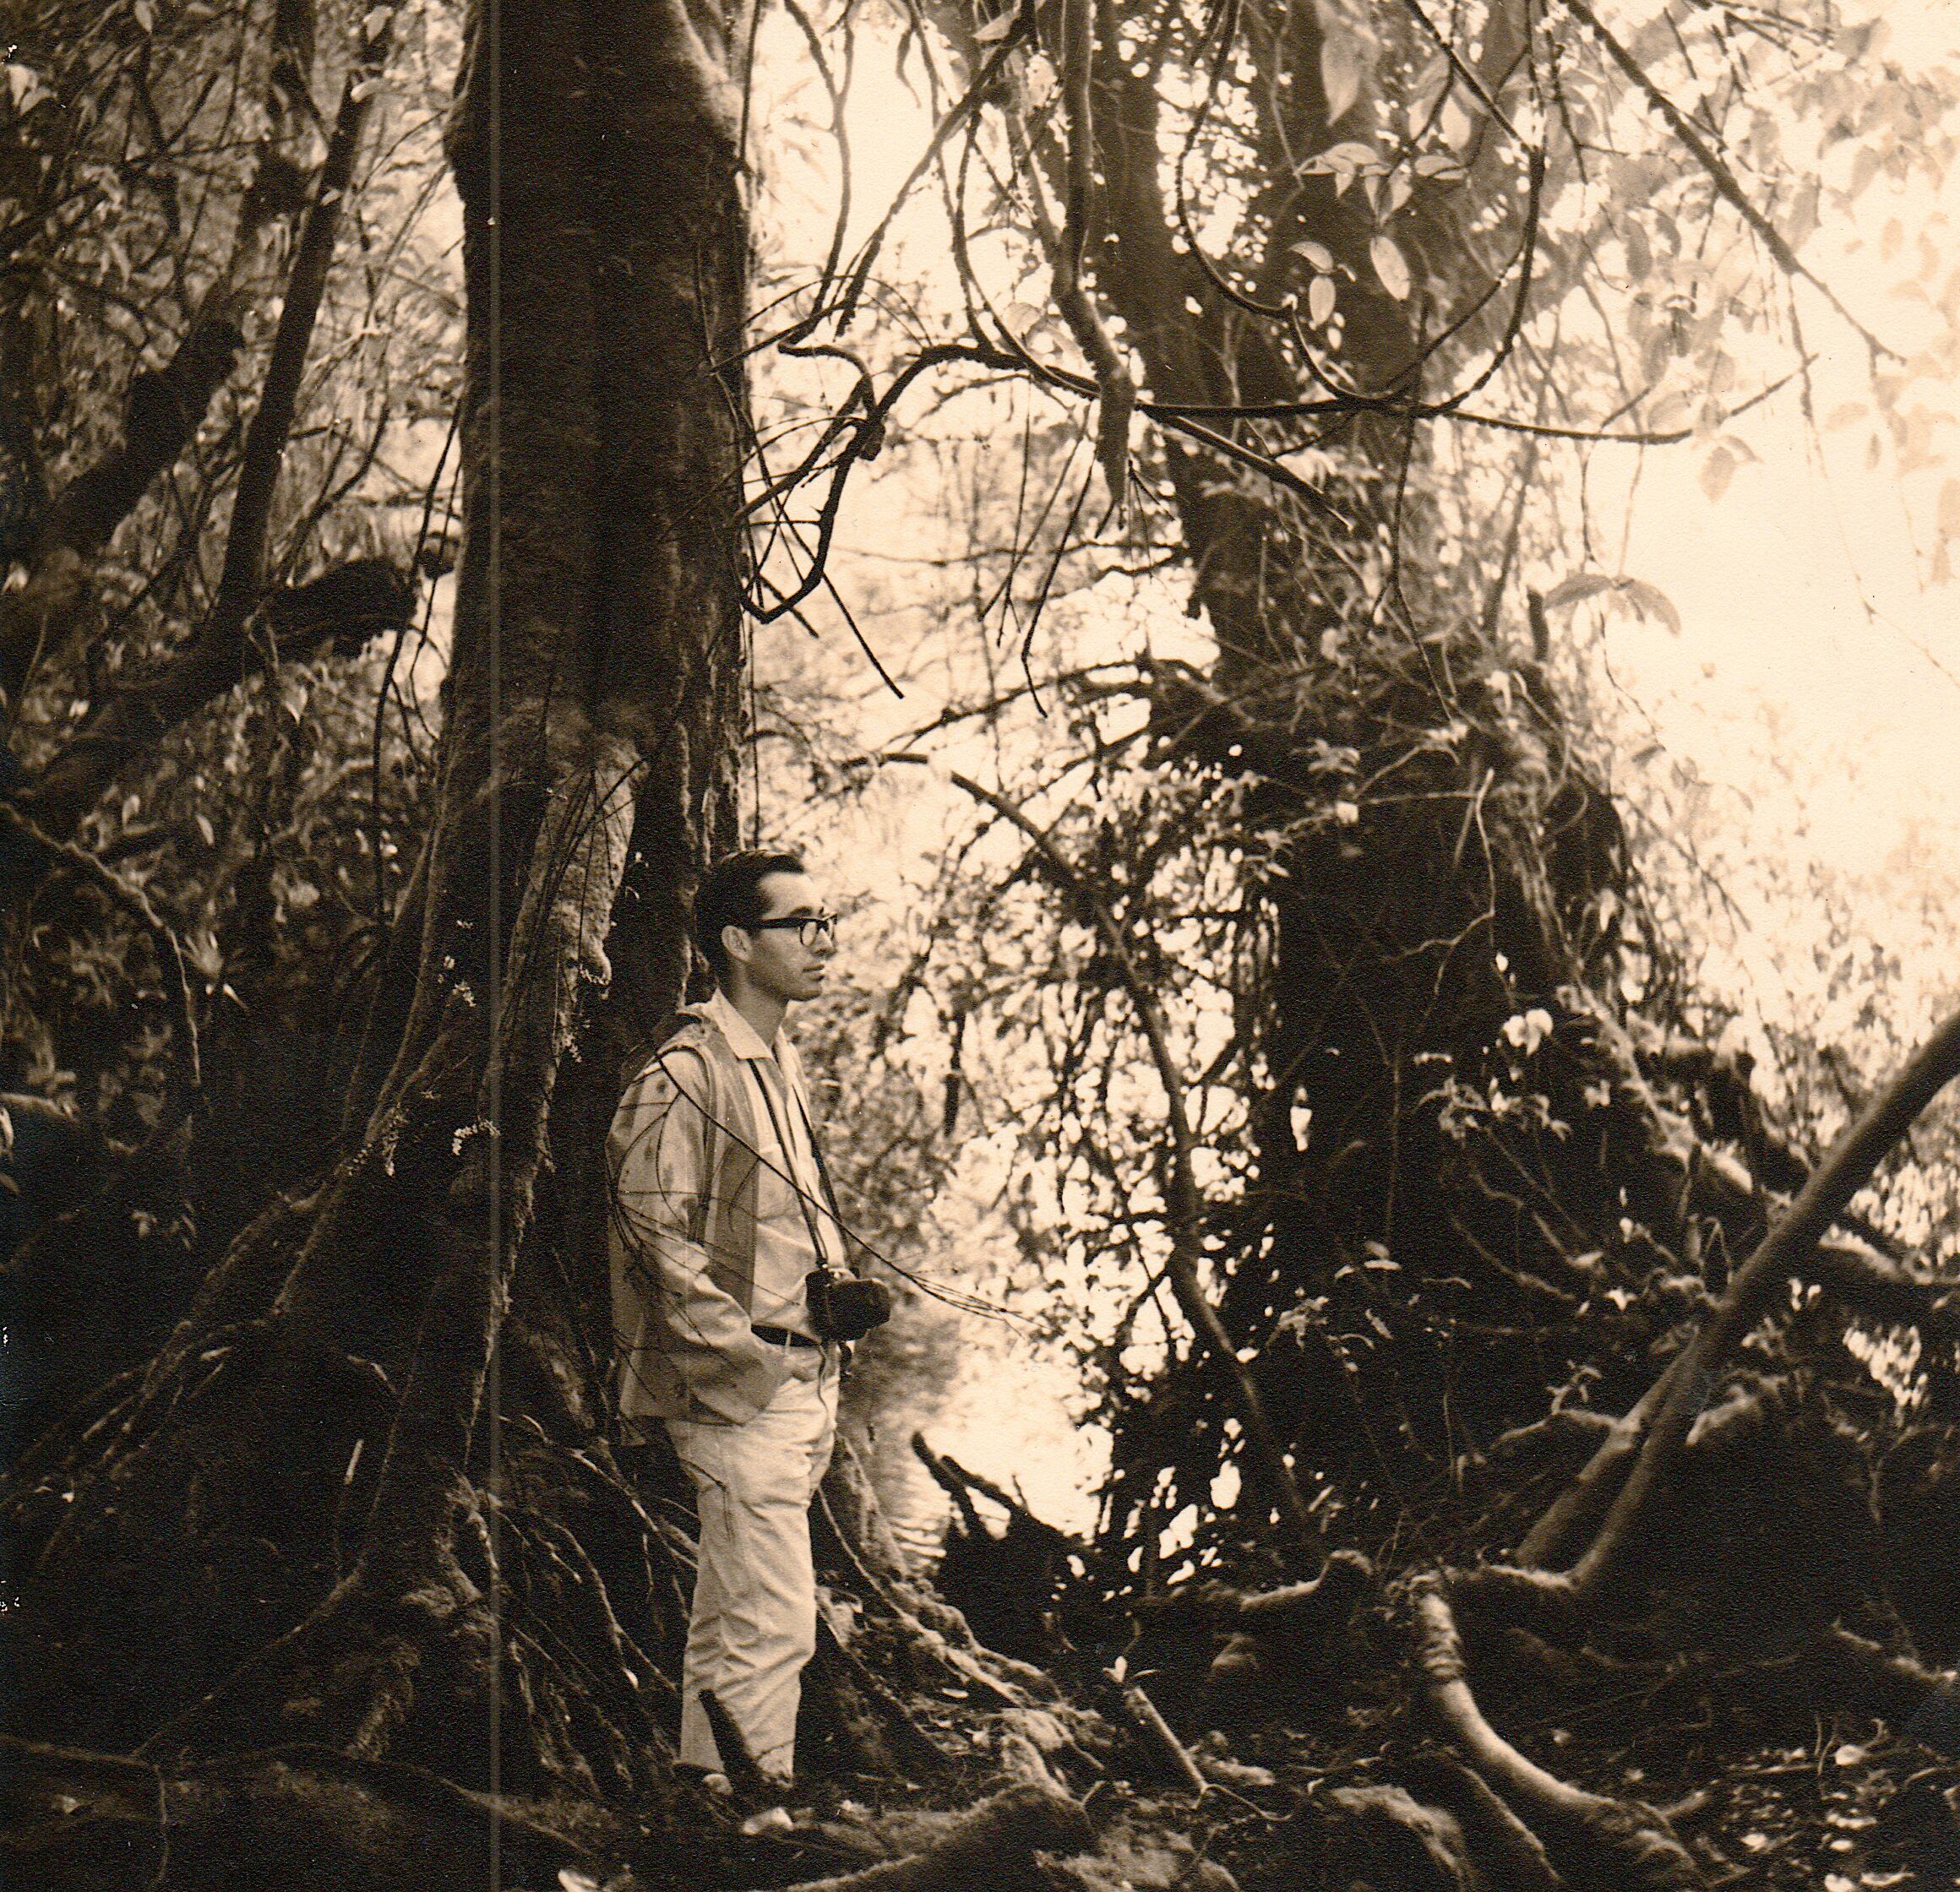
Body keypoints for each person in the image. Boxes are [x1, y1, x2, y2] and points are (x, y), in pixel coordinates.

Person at [608, 850, 847, 1805]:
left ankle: (705, 1795)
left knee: (730, 1608)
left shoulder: (775, 1058)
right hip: (740, 1388)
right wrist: (746, 1356)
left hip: (800, 1376)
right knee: (777, 1617)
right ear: (739, 944)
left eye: (826, 919)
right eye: (802, 923)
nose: (824, 940)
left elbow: (779, 1226)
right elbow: (649, 1229)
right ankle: (761, 1815)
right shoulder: (686, 1069)